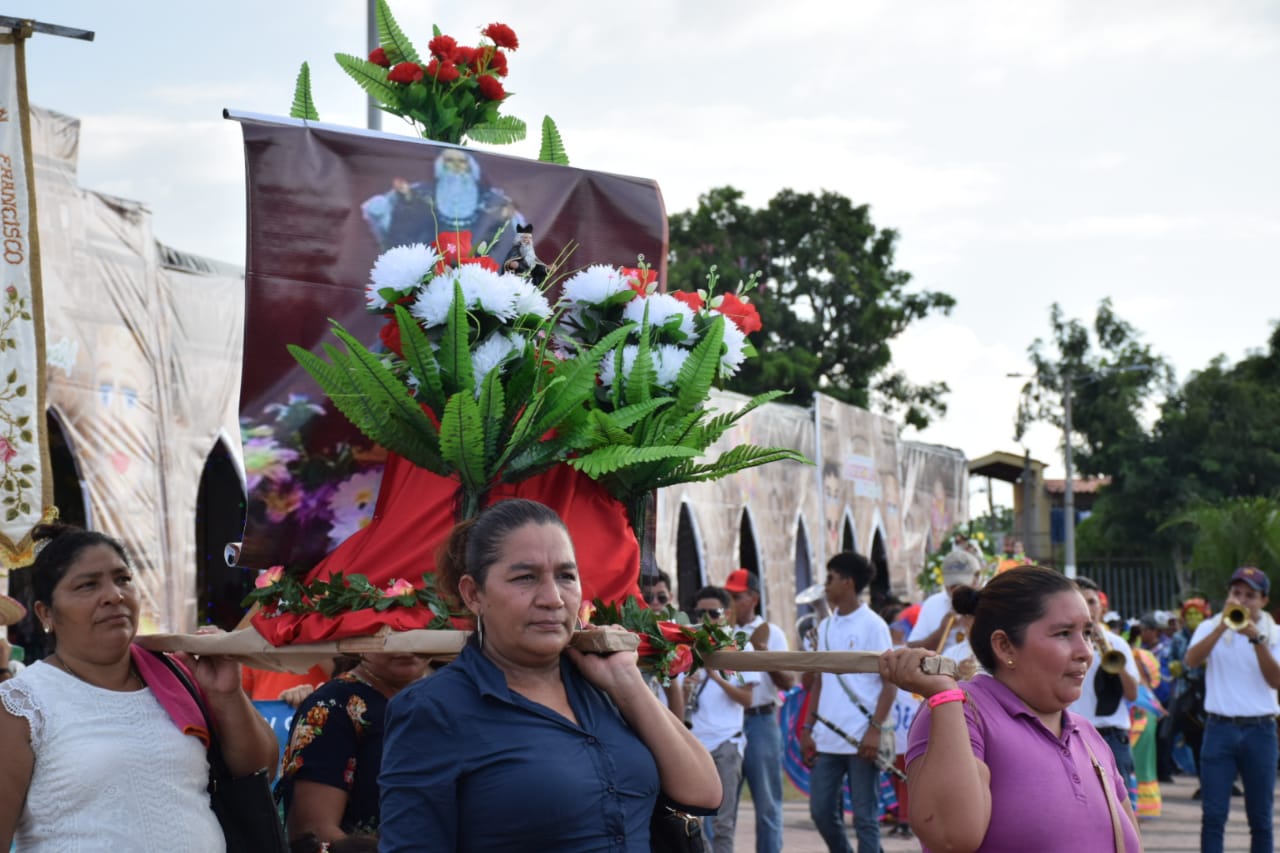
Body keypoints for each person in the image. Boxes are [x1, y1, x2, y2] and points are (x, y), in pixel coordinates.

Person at [378, 498, 721, 851]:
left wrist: (627, 682)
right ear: (473, 594)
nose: (553, 598)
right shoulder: (433, 710)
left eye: (566, 576)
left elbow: (704, 794)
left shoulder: (603, 686)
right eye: (525, 577)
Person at [0, 523, 279, 851]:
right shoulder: (23, 703)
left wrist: (226, 695)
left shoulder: (175, 675)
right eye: (88, 585)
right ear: (46, 613)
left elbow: (259, 771)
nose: (114, 596)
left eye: (123, 580)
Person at [880, 564, 1142, 853]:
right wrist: (944, 697)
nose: (1085, 652)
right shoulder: (963, 712)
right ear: (1004, 647)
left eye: (1087, 633)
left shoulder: (1088, 735)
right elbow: (949, 836)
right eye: (1064, 633)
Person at [800, 551, 896, 853]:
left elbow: (889, 683)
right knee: (822, 812)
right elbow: (815, 683)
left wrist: (875, 729)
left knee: (866, 819)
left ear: (848, 582)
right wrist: (807, 727)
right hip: (827, 736)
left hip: (860, 736)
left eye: (831, 579)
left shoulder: (874, 625)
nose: (826, 586)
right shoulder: (824, 628)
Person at [279, 652, 430, 844]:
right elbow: (314, 833)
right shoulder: (332, 705)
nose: (407, 648)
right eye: (389, 631)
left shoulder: (452, 697)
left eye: (417, 628)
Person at [1183, 566, 1280, 853]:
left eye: (1250, 595)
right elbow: (1191, 661)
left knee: (1261, 818)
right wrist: (1223, 625)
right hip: (1219, 729)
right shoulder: (1210, 626)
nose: (1242, 601)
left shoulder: (1273, 634)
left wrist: (1256, 639)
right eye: (1236, 593)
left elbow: (1275, 681)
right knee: (1213, 816)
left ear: (1264, 600)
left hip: (1260, 731)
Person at [723, 568, 793, 853]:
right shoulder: (721, 631)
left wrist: (765, 656)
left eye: (735, 597)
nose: (730, 602)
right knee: (722, 807)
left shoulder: (772, 632)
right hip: (727, 722)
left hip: (761, 720)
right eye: (727, 596)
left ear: (753, 598)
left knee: (767, 806)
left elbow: (788, 682)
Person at [360, 148, 518, 254]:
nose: (456, 166)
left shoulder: (492, 198)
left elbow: (505, 238)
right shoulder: (420, 192)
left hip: (476, 271)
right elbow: (401, 229)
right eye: (450, 160)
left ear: (470, 166)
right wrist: (408, 200)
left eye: (462, 161)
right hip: (430, 267)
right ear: (441, 165)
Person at [1070, 575, 1140, 805]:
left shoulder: (1117, 644)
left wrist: (1108, 653)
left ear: (1101, 607)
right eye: (1080, 601)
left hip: (1110, 736)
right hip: (1072, 734)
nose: (1087, 608)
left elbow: (1132, 695)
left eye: (1091, 602)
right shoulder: (1062, 643)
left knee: (1119, 811)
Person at [908, 549, 981, 653]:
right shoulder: (932, 603)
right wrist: (943, 629)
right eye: (952, 585)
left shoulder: (989, 603)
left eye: (962, 584)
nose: (955, 589)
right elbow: (912, 649)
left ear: (976, 579)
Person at [640, 569, 686, 720]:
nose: (655, 602)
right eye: (648, 597)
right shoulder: (635, 631)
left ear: (670, 597)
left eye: (661, 597)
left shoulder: (683, 633)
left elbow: (673, 691)